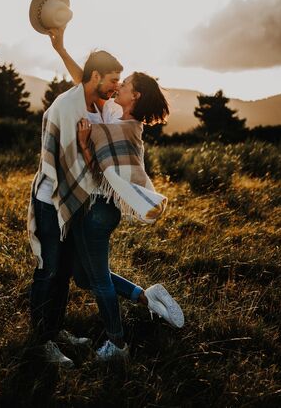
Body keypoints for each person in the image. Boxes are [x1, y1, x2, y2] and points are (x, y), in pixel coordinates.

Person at [37, 28, 184, 362]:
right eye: (117, 81)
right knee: (83, 277)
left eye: (125, 84)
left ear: (134, 97)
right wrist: (61, 49)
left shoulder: (115, 126)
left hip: (98, 211)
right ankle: (147, 298)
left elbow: (102, 170)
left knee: (99, 280)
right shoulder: (120, 116)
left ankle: (117, 345)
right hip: (102, 209)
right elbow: (87, 84)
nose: (119, 86)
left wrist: (89, 146)